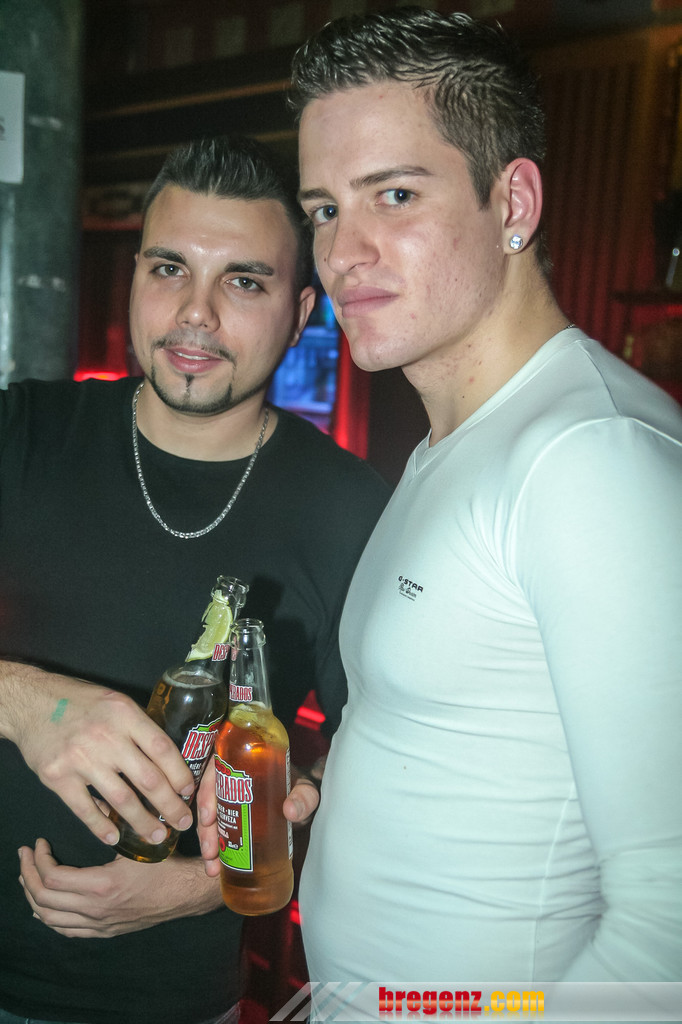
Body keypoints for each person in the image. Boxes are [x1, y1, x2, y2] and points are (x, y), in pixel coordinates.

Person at [284, 4, 682, 1003]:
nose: (342, 251)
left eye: (394, 195)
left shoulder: (587, 461)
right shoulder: (454, 443)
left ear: (513, 202)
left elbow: (670, 927)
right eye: (324, 208)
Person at [0, 135, 390, 1024]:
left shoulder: (347, 508)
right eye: (170, 268)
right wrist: (23, 701)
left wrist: (209, 885)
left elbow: (383, 776)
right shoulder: (22, 434)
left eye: (244, 282)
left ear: (301, 313)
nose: (196, 314)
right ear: (135, 276)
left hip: (174, 1002)